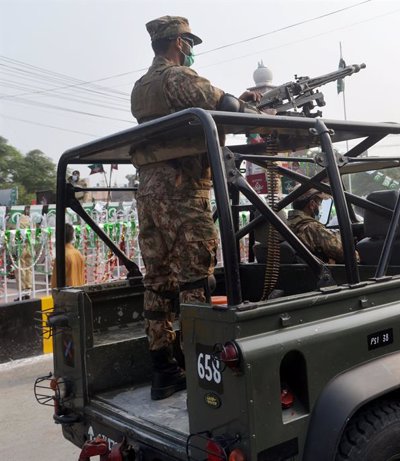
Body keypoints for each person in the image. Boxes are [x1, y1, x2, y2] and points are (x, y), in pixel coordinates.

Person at [130, 15, 262, 400]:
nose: (191, 51)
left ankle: (162, 369)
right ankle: (196, 368)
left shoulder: (141, 87)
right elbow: (223, 104)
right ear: (178, 44)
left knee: (157, 280)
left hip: (149, 194)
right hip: (182, 190)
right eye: (189, 44)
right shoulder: (178, 77)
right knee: (194, 280)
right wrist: (258, 112)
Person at [288, 189, 352, 264]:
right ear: (312, 204)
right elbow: (346, 254)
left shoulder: (288, 223)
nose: (320, 207)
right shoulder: (312, 227)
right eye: (320, 203)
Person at [51, 223, 85, 288]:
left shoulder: (62, 256)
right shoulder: (78, 254)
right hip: (79, 293)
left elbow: (55, 284)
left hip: (67, 296)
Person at [16, 205, 33, 299]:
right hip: (29, 245)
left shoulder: (17, 219)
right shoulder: (30, 220)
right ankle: (28, 290)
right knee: (29, 268)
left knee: (20, 268)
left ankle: (22, 292)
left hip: (20, 246)